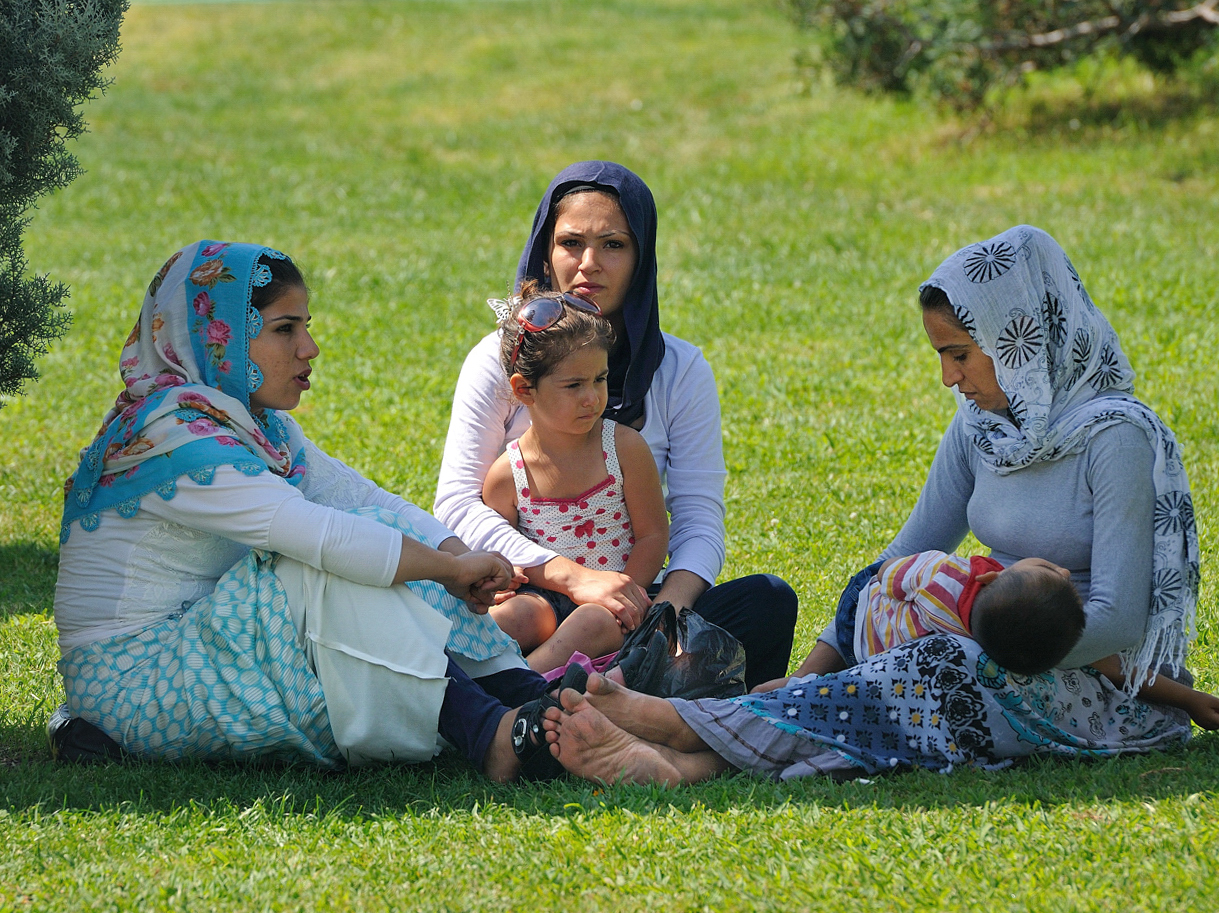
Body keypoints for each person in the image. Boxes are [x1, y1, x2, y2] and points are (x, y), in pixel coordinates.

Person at [537, 225, 1212, 785]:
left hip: (1107, 687)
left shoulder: (1114, 436)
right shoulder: (976, 425)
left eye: (959, 355)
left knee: (933, 668)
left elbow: (1120, 619)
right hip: (983, 634)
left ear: (1020, 339)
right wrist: (809, 670)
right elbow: (900, 558)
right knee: (902, 646)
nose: (949, 377)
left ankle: (680, 727)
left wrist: (988, 636)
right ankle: (687, 763)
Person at [50, 241, 580, 781]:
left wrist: (456, 554)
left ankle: (533, 699)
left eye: (305, 326)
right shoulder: (174, 435)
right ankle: (493, 733)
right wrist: (449, 570)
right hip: (132, 686)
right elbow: (317, 535)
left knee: (377, 538)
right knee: (317, 563)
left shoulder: (250, 424)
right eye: (285, 329)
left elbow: (368, 501)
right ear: (222, 339)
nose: (310, 348)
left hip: (205, 647)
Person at [434, 161, 797, 690]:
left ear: (641, 257)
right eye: (571, 243)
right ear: (545, 251)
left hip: (635, 602)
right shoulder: (497, 361)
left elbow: (698, 518)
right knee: (470, 620)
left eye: (613, 245)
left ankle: (562, 694)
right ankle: (585, 693)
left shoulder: (681, 369)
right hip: (537, 594)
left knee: (767, 600)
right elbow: (458, 504)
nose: (588, 265)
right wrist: (570, 576)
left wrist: (661, 612)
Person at [482, 283, 669, 673]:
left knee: (591, 621)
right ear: (524, 389)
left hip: (617, 601)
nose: (592, 397)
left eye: (599, 379)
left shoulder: (624, 449)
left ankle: (521, 686)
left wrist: (623, 592)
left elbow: (653, 534)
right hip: (546, 598)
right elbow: (499, 551)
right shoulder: (508, 474)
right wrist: (504, 576)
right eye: (574, 385)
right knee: (513, 619)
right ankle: (470, 678)